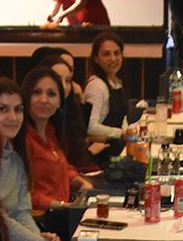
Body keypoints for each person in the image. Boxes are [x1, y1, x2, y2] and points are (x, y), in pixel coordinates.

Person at [0, 77, 66, 241]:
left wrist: (39, 240)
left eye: (18, 110)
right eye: (3, 109)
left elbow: (22, 213)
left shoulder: (16, 158)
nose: (13, 118)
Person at [19, 68, 95, 211]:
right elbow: (23, 195)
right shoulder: (22, 140)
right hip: (43, 216)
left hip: (64, 208)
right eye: (36, 92)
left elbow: (61, 166)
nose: (44, 100)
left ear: (60, 101)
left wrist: (78, 180)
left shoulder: (51, 133)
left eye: (51, 94)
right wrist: (62, 206)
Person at [36, 53, 97, 173]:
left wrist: (81, 101)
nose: (64, 86)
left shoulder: (67, 110)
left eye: (68, 80)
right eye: (57, 79)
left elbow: (77, 148)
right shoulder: (41, 116)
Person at [84, 31, 131, 163]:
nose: (113, 59)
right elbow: (91, 127)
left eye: (117, 53)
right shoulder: (97, 86)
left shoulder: (117, 82)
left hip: (118, 150)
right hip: (103, 156)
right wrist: (120, 133)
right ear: (96, 58)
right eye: (106, 54)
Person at [45, 0, 110, 28]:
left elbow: (80, 4)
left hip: (96, 26)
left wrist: (61, 16)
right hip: (77, 28)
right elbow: (56, 3)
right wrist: (50, 15)